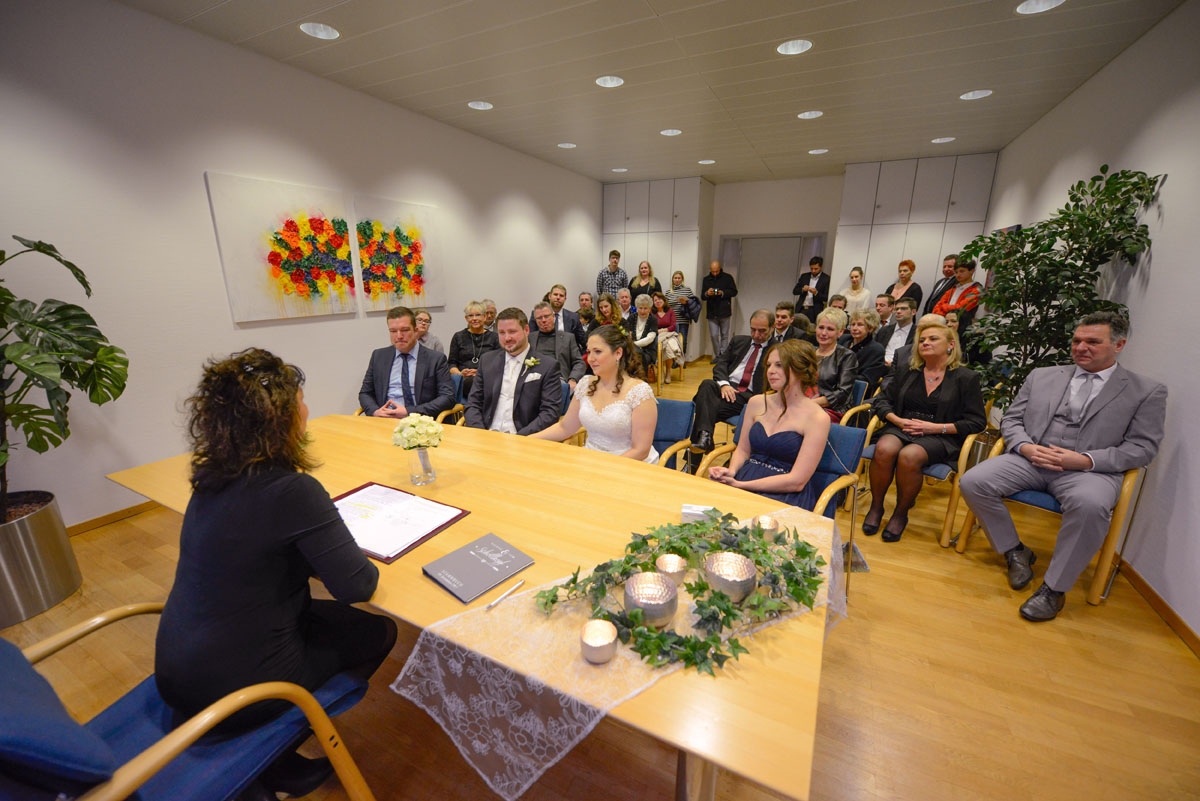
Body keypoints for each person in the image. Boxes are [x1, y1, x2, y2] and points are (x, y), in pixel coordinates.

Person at [157, 349, 398, 798]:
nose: (307, 410)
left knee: (320, 620)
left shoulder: (210, 479)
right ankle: (272, 746)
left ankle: (279, 764)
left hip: (177, 668)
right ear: (280, 420)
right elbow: (357, 586)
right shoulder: (293, 491)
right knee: (378, 631)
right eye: (300, 402)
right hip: (235, 689)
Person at [959, 312, 1166, 621]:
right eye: (1077, 340)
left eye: (1092, 342)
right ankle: (1014, 550)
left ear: (1119, 345)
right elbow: (1012, 420)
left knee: (1091, 506)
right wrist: (1025, 446)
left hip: (1089, 471)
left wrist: (1085, 460)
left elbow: (1142, 447)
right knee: (973, 481)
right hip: (1030, 459)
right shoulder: (1042, 375)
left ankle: (1054, 589)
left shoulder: (1146, 391)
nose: (1081, 348)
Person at [863, 318, 986, 542]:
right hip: (903, 425)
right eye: (922, 340)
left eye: (933, 339)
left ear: (950, 344)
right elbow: (882, 401)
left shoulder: (966, 378)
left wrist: (936, 427)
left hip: (940, 434)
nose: (925, 343)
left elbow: (976, 421)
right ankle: (876, 507)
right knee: (884, 449)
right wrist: (897, 420)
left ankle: (900, 514)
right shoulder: (908, 370)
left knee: (909, 456)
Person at [708, 340, 831, 510]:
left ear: (800, 370)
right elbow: (743, 450)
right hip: (746, 476)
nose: (771, 371)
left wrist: (741, 485)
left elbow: (797, 481)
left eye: (779, 365)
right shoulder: (756, 402)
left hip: (784, 492)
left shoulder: (817, 418)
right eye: (769, 365)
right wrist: (732, 471)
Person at [532, 325, 659, 463]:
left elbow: (640, 450)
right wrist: (528, 439)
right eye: (589, 352)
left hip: (628, 464)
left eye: (597, 352)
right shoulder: (585, 384)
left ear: (618, 353)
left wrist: (603, 468)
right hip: (591, 459)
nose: (590, 358)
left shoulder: (640, 392)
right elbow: (565, 427)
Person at [687, 310, 772, 466]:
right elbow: (721, 363)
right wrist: (724, 384)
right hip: (727, 388)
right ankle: (705, 437)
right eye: (753, 329)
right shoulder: (739, 341)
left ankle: (694, 461)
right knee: (707, 384)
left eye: (762, 331)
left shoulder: (776, 350)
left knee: (704, 409)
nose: (756, 334)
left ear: (772, 329)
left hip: (749, 397)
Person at [465, 307, 563, 435]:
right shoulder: (487, 361)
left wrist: (520, 438)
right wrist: (481, 434)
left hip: (524, 436)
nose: (507, 338)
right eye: (502, 333)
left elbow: (550, 413)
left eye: (512, 332)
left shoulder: (547, 366)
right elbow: (473, 404)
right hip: (487, 434)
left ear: (526, 330)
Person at [359, 306, 456, 418]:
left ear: (415, 331)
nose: (399, 336)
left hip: (420, 420)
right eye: (393, 331)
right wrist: (375, 411)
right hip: (384, 419)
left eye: (404, 330)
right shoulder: (379, 356)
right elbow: (365, 393)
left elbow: (447, 397)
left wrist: (409, 411)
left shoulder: (435, 359)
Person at [811, 308, 858, 422]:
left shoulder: (847, 356)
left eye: (830, 329)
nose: (823, 333)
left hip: (833, 409)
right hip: (805, 403)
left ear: (840, 332)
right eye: (821, 327)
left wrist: (809, 403)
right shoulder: (808, 352)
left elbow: (842, 393)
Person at [448, 301, 501, 400]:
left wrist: (481, 373)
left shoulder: (495, 337)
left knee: (477, 383)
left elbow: (499, 364)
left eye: (478, 315)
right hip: (464, 380)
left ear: (484, 317)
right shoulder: (458, 336)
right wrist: (460, 374)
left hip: (487, 378)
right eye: (471, 316)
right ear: (466, 318)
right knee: (470, 383)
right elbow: (451, 363)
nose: (474, 318)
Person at [529, 301, 585, 391]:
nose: (543, 320)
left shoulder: (568, 338)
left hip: (559, 380)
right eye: (539, 318)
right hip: (534, 381)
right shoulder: (529, 339)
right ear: (535, 320)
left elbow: (579, 362)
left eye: (546, 316)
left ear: (553, 317)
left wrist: (573, 379)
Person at [702, 259, 738, 359]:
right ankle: (718, 356)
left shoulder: (728, 278)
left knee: (724, 335)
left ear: (720, 268)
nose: (715, 273)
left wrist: (722, 293)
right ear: (710, 269)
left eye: (716, 271)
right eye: (713, 271)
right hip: (711, 312)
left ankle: (723, 357)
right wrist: (707, 293)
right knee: (713, 335)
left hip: (724, 311)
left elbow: (734, 292)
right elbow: (702, 296)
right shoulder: (706, 279)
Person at [846, 309, 887, 396]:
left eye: (860, 325)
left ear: (870, 328)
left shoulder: (876, 350)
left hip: (854, 393)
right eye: (853, 324)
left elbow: (865, 380)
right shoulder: (844, 340)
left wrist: (840, 377)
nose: (854, 328)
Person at [540, 283, 587, 350]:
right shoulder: (538, 315)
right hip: (545, 352)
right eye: (555, 294)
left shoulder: (574, 317)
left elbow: (583, 341)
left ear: (565, 299)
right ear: (549, 296)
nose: (558, 297)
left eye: (561, 296)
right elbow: (532, 339)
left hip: (567, 353)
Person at [652, 291, 683, 383]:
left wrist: (663, 330)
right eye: (655, 300)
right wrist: (659, 331)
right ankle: (661, 371)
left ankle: (668, 371)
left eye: (659, 299)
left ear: (664, 300)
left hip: (669, 334)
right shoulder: (651, 312)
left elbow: (673, 326)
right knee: (662, 344)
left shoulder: (670, 311)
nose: (657, 301)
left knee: (668, 343)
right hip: (657, 335)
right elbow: (651, 326)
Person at [876, 297, 917, 366]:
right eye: (896, 309)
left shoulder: (918, 333)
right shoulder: (884, 330)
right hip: (880, 366)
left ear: (913, 312)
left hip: (903, 368)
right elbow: (875, 351)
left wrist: (893, 365)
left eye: (903, 309)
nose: (898, 311)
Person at [664, 269, 698, 350]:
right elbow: (665, 305)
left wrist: (686, 302)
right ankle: (674, 358)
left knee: (683, 341)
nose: (677, 280)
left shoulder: (687, 290)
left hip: (683, 320)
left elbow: (693, 303)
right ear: (673, 279)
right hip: (671, 321)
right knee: (672, 341)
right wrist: (677, 300)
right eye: (675, 278)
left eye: (679, 278)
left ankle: (682, 358)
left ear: (682, 279)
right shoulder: (668, 292)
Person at [792, 256, 830, 325]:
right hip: (801, 308)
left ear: (821, 267)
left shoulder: (826, 279)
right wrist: (802, 289)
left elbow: (826, 297)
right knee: (797, 327)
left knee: (812, 329)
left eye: (816, 269)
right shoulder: (804, 276)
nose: (813, 271)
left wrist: (816, 293)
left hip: (815, 310)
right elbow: (795, 291)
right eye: (811, 268)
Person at [629, 294, 659, 378]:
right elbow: (627, 334)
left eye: (645, 308)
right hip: (632, 350)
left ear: (649, 309)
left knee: (637, 356)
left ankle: (642, 379)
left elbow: (650, 338)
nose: (642, 311)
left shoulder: (653, 319)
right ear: (636, 308)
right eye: (640, 308)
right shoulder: (631, 318)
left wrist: (634, 345)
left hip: (647, 351)